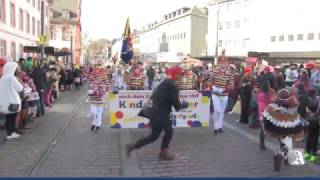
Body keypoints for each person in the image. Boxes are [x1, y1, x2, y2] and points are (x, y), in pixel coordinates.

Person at [126, 66, 188, 160]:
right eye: (181, 75)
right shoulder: (173, 86)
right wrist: (185, 104)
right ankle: (163, 153)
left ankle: (133, 146)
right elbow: (177, 106)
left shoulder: (165, 82)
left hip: (155, 113)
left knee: (153, 136)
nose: (182, 77)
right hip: (161, 114)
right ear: (176, 75)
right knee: (169, 131)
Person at [262, 89, 305, 172]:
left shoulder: (272, 107)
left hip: (277, 131)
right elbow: (296, 120)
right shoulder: (291, 109)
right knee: (287, 146)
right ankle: (279, 156)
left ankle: (286, 159)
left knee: (284, 144)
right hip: (289, 132)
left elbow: (265, 117)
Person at [208, 49, 234, 135]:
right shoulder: (214, 71)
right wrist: (212, 86)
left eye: (224, 62)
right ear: (219, 62)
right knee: (217, 110)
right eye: (221, 62)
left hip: (224, 94)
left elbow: (231, 85)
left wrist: (225, 88)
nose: (223, 63)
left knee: (222, 111)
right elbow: (210, 82)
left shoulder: (229, 72)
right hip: (215, 94)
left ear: (227, 62)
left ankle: (220, 127)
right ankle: (215, 127)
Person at [0, 60, 24, 140]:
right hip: (12, 101)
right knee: (12, 117)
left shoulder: (3, 77)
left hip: (4, 102)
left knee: (8, 117)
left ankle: (10, 132)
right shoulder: (11, 77)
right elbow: (20, 88)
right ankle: (11, 133)